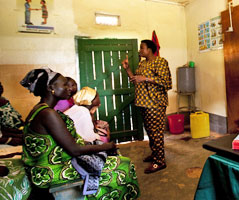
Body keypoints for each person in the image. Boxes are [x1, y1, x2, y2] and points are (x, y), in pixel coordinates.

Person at [20, 68, 139, 199]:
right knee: (123, 166)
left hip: (45, 167)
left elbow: (63, 143)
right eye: (64, 84)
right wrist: (106, 146)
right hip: (52, 171)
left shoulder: (39, 110)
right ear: (51, 88)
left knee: (110, 158)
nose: (69, 88)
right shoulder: (48, 114)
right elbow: (74, 150)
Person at [122, 39, 172, 174]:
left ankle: (159, 161)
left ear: (149, 49)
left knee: (156, 132)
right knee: (150, 131)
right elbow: (136, 81)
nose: (140, 50)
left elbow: (167, 83)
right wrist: (128, 70)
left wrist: (146, 79)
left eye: (142, 48)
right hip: (143, 102)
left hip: (155, 103)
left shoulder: (160, 62)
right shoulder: (142, 64)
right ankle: (156, 154)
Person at [0, 82, 23, 146]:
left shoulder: (3, 100)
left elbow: (15, 117)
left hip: (15, 130)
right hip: (6, 134)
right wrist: (10, 140)